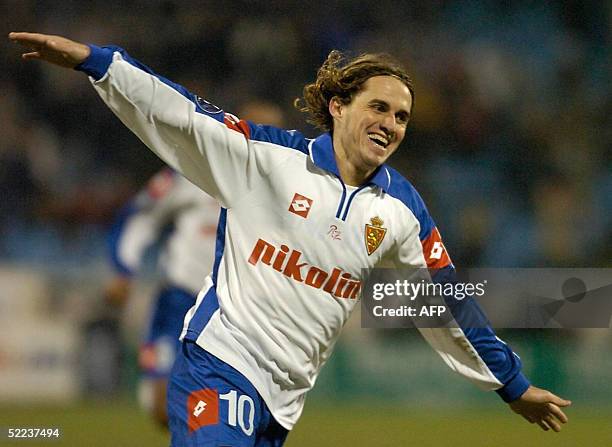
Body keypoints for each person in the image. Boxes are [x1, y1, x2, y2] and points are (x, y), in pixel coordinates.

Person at [9, 32, 571, 446]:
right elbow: (181, 115)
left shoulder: (402, 212)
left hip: (282, 402)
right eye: (378, 106)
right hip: (220, 360)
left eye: (401, 116)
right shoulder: (269, 160)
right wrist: (99, 63)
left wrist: (511, 384)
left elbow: (445, 304)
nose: (391, 123)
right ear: (337, 107)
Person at [105, 168, 220, 427]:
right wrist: (124, 268)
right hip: (180, 298)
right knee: (161, 399)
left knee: (223, 406)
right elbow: (141, 216)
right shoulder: (188, 172)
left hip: (229, 307)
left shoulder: (262, 172)